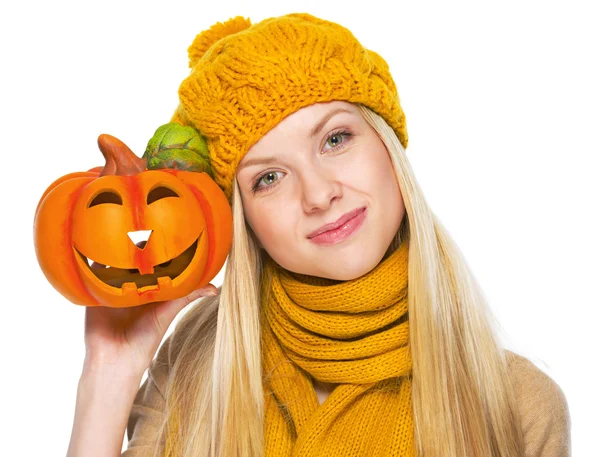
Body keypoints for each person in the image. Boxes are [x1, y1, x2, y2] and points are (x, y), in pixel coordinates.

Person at [65, 13, 571, 457]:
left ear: (389, 145)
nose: (318, 194)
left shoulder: (517, 402)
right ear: (244, 222)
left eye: (335, 139)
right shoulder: (197, 369)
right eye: (268, 177)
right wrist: (110, 367)